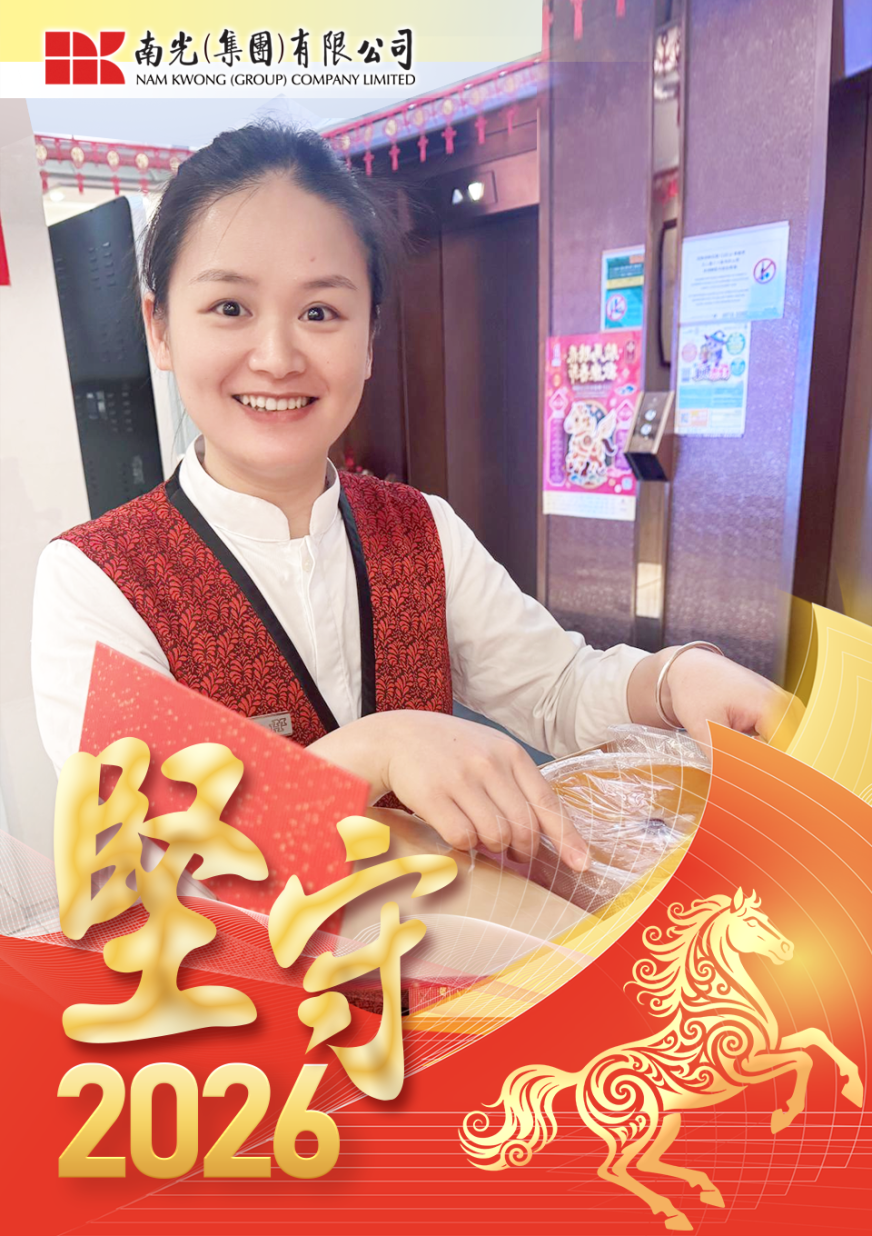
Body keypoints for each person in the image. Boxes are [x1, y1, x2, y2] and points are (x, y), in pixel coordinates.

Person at [31, 122, 792, 875]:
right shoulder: (96, 579)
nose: (277, 357)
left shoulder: (421, 530)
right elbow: (151, 848)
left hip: (454, 941)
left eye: (320, 312)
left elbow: (556, 690)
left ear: (368, 340)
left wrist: (673, 679)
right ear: (160, 329)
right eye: (230, 307)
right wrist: (373, 751)